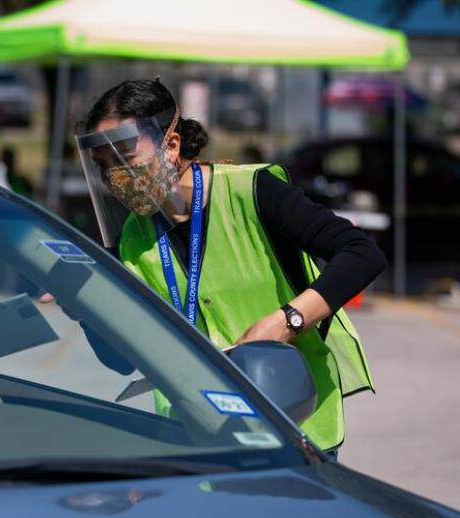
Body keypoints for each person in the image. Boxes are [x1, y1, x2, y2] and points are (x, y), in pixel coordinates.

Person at [74, 79, 386, 454]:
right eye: (103, 165)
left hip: (291, 421)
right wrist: (82, 303)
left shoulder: (252, 191)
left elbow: (360, 253)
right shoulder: (133, 236)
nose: (115, 175)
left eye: (123, 154)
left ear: (170, 145)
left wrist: (288, 321)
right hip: (198, 434)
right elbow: (122, 361)